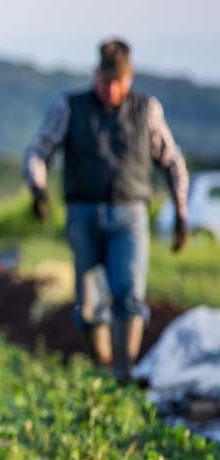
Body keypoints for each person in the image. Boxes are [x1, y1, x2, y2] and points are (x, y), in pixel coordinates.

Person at [25, 39, 189, 381]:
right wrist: (38, 190)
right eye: (105, 82)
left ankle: (122, 374)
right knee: (88, 307)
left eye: (118, 83)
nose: (111, 90)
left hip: (130, 215)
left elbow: (171, 160)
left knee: (128, 294)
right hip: (83, 215)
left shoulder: (147, 110)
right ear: (96, 75)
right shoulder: (69, 108)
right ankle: (103, 359)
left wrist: (181, 210)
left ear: (129, 80)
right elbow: (39, 151)